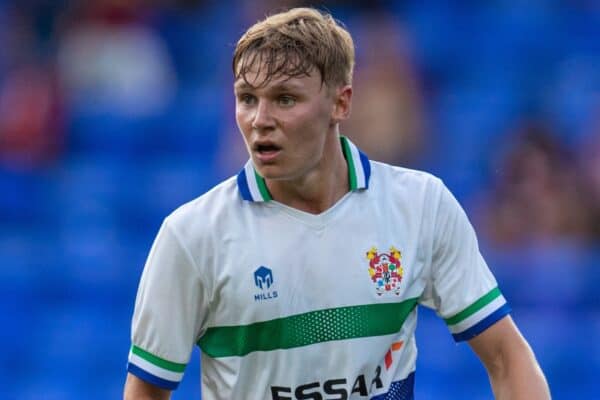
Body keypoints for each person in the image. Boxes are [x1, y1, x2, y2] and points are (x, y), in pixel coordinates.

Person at [123, 7, 550, 400]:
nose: (260, 119)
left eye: (285, 98)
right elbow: (146, 391)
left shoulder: (420, 205)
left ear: (340, 103)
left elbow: (507, 358)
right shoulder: (192, 235)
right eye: (247, 98)